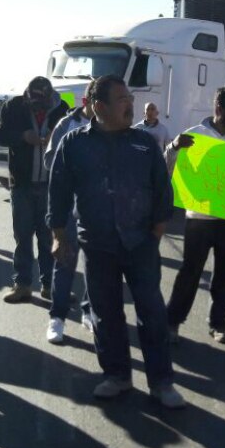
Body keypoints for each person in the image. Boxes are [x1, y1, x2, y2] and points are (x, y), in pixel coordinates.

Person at [48, 75, 185, 409]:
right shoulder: (74, 143)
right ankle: (117, 376)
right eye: (122, 99)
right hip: (96, 245)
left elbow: (162, 190)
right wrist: (58, 235)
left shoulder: (143, 143)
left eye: (129, 98)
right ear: (99, 106)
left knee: (152, 313)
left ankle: (161, 382)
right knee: (105, 313)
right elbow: (59, 192)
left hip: (140, 243)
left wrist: (156, 231)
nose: (130, 104)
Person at [163, 86, 225, 345]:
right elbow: (166, 169)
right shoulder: (194, 136)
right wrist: (173, 146)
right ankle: (172, 322)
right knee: (190, 273)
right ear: (219, 109)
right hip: (199, 220)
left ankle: (218, 325)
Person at [0, 76, 67, 303]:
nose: (38, 108)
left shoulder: (62, 108)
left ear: (50, 97)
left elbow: (73, 138)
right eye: (34, 102)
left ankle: (49, 285)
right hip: (22, 184)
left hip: (50, 184)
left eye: (42, 103)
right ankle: (22, 284)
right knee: (22, 236)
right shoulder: (13, 106)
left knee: (47, 238)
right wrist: (22, 137)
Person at [42, 79, 96, 343]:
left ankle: (88, 311)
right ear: (88, 102)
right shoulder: (66, 124)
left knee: (93, 265)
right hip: (69, 206)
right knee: (65, 261)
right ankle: (58, 317)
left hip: (97, 209)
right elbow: (49, 160)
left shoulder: (112, 128)